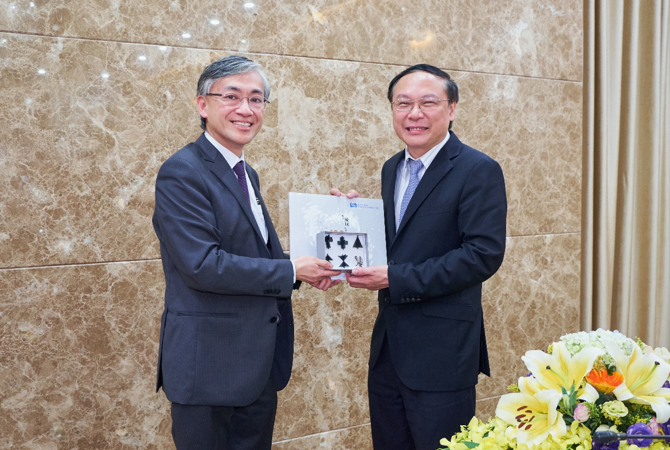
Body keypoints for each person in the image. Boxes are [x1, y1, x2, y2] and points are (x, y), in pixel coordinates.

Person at [153, 55, 340, 450]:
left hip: (254, 368)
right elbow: (203, 265)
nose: (245, 109)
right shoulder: (183, 171)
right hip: (209, 369)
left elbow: (247, 251)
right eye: (232, 96)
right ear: (203, 105)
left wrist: (320, 248)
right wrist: (291, 270)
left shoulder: (243, 171)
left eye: (256, 100)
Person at [332, 64, 507, 450]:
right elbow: (404, 239)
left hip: (442, 354)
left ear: (452, 108)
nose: (414, 114)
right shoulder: (393, 168)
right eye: (403, 103)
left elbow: (482, 255)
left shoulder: (478, 170)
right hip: (388, 352)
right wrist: (352, 218)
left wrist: (397, 278)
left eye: (428, 103)